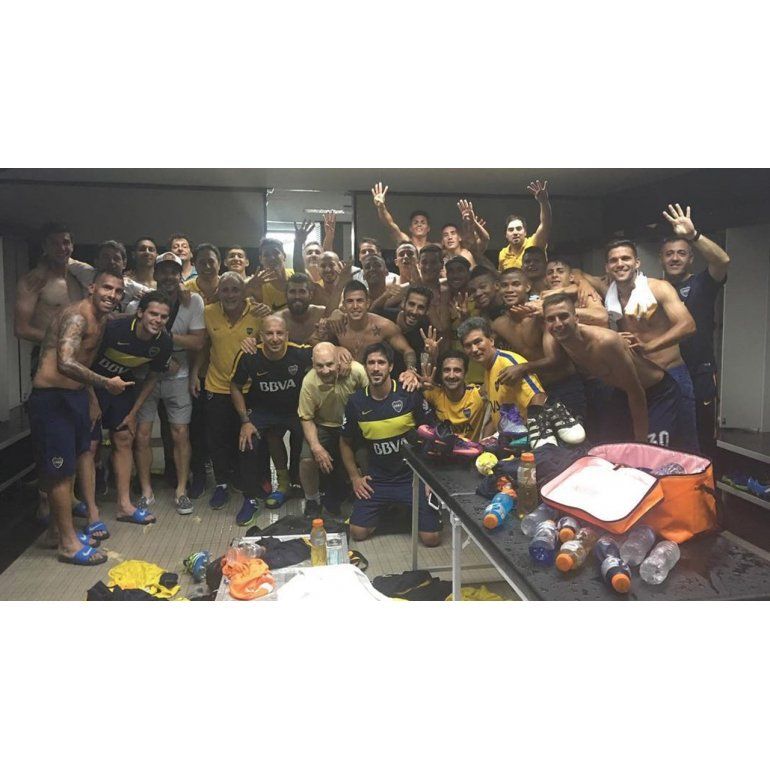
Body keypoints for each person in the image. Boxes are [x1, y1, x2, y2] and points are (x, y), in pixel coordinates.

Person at [27, 269, 129, 565]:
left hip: (74, 397)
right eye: (107, 288)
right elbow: (66, 362)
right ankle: (68, 544)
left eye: (118, 291)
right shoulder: (77, 317)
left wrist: (90, 397)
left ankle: (54, 533)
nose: (112, 295)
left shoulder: (102, 318)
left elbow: (84, 360)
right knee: (60, 472)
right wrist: (105, 383)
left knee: (67, 468)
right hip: (52, 399)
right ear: (92, 287)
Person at [542, 293, 688, 449]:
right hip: (622, 394)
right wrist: (526, 367)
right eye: (551, 319)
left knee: (652, 451)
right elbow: (553, 362)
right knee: (611, 448)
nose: (558, 324)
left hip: (657, 392)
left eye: (563, 316)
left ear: (576, 318)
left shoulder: (605, 342)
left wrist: (641, 443)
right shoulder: (560, 338)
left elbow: (636, 392)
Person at [603, 238, 699, 453]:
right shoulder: (609, 294)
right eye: (614, 260)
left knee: (684, 444)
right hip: (637, 378)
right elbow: (577, 276)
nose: (620, 264)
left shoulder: (659, 288)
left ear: (637, 263)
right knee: (639, 442)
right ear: (607, 267)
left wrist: (649, 347)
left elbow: (688, 325)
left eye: (626, 258)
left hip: (671, 373)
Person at [340, 342, 440, 546]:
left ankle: (408, 511)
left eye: (381, 362)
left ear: (391, 366)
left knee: (431, 539)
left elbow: (433, 435)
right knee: (357, 532)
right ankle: (393, 512)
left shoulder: (408, 393)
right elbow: (345, 442)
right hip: (379, 479)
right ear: (365, 367)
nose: (376, 368)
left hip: (413, 478)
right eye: (371, 363)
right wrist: (355, 477)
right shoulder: (356, 402)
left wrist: (432, 478)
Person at [88, 291, 175, 525]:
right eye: (153, 314)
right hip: (91, 384)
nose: (158, 320)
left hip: (122, 386)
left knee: (124, 438)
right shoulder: (114, 329)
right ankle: (88, 507)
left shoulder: (164, 342)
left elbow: (153, 378)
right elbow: (83, 363)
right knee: (89, 445)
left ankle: (124, 505)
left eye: (163, 316)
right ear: (140, 313)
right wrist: (92, 401)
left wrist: (133, 413)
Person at [131, 253, 206, 514]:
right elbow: (135, 340)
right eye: (163, 271)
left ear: (180, 275)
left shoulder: (192, 301)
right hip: (145, 376)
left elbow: (198, 342)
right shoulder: (141, 303)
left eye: (174, 272)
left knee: (180, 433)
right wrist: (162, 355)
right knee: (142, 434)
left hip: (179, 375)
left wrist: (165, 338)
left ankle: (181, 490)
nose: (168, 277)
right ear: (155, 274)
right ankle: (146, 491)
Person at [660, 203, 731, 458]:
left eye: (681, 253)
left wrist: (693, 235)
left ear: (691, 258)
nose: (675, 258)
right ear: (661, 258)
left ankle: (707, 482)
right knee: (670, 437)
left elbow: (722, 260)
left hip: (699, 372)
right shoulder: (653, 289)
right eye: (669, 254)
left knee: (702, 438)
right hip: (664, 372)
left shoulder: (703, 283)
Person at [193, 271, 265, 511]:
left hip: (249, 388)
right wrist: (194, 373)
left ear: (243, 291)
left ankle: (248, 484)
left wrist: (258, 344)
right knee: (217, 440)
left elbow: (272, 343)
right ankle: (222, 484)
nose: (230, 294)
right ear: (219, 292)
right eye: (225, 290)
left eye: (235, 289)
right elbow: (204, 346)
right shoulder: (208, 312)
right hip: (216, 385)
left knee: (248, 439)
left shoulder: (258, 312)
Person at [230, 315, 312, 522]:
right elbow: (235, 386)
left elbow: (324, 356)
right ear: (261, 336)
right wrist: (245, 421)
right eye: (269, 333)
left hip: (295, 410)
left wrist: (339, 351)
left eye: (279, 333)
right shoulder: (249, 355)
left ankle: (302, 486)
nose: (275, 338)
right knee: (247, 441)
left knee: (309, 439)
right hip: (263, 411)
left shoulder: (299, 353)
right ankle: (251, 498)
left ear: (287, 335)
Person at [492, 267, 589, 422]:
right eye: (505, 285)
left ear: (527, 287)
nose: (509, 290)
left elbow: (555, 359)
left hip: (564, 385)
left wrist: (522, 368)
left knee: (576, 435)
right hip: (537, 392)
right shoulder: (499, 325)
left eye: (516, 284)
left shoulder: (541, 315)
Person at [458, 317, 557, 448]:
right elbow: (496, 412)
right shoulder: (488, 370)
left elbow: (539, 397)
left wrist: (536, 440)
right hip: (510, 442)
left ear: (491, 340)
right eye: (468, 346)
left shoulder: (509, 363)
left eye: (478, 342)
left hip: (531, 442)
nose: (474, 349)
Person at [298, 342, 369, 518]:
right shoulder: (309, 382)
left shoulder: (357, 371)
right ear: (313, 363)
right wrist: (316, 447)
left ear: (338, 361)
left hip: (355, 425)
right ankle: (312, 500)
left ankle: (369, 496)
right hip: (324, 425)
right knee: (307, 460)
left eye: (329, 364)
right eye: (319, 366)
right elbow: (306, 418)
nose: (325, 370)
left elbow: (371, 398)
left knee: (367, 456)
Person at [319, 280, 421, 392]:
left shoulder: (384, 326)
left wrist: (411, 371)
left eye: (360, 301)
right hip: (344, 382)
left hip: (375, 384)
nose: (355, 306)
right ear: (343, 305)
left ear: (367, 303)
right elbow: (314, 342)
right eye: (350, 301)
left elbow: (408, 351)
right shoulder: (337, 324)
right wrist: (335, 349)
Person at [421, 350, 486, 441]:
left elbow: (495, 379)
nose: (451, 376)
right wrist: (414, 378)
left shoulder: (478, 395)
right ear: (441, 373)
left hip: (472, 448)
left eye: (457, 370)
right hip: (443, 448)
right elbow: (417, 388)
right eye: (447, 370)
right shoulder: (435, 394)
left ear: (465, 373)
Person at [499, 179, 551, 270]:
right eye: (511, 230)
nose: (515, 232)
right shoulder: (503, 254)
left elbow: (545, 224)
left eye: (519, 228)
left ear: (525, 232)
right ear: (506, 235)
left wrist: (543, 202)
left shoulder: (534, 242)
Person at [544, 258, 609, 326]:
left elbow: (602, 316)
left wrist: (560, 311)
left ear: (571, 277)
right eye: (550, 273)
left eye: (560, 272)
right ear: (545, 280)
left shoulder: (583, 292)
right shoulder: (543, 298)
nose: (554, 275)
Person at [371, 182, 431, 250]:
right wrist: (381, 207)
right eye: (415, 222)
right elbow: (390, 224)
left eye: (423, 222)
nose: (419, 225)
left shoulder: (434, 247)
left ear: (428, 228)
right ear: (410, 228)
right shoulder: (405, 242)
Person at [246, 237, 294, 311]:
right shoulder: (258, 283)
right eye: (266, 255)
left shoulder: (297, 274)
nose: (272, 258)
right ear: (260, 259)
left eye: (276, 253)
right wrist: (249, 285)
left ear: (284, 256)